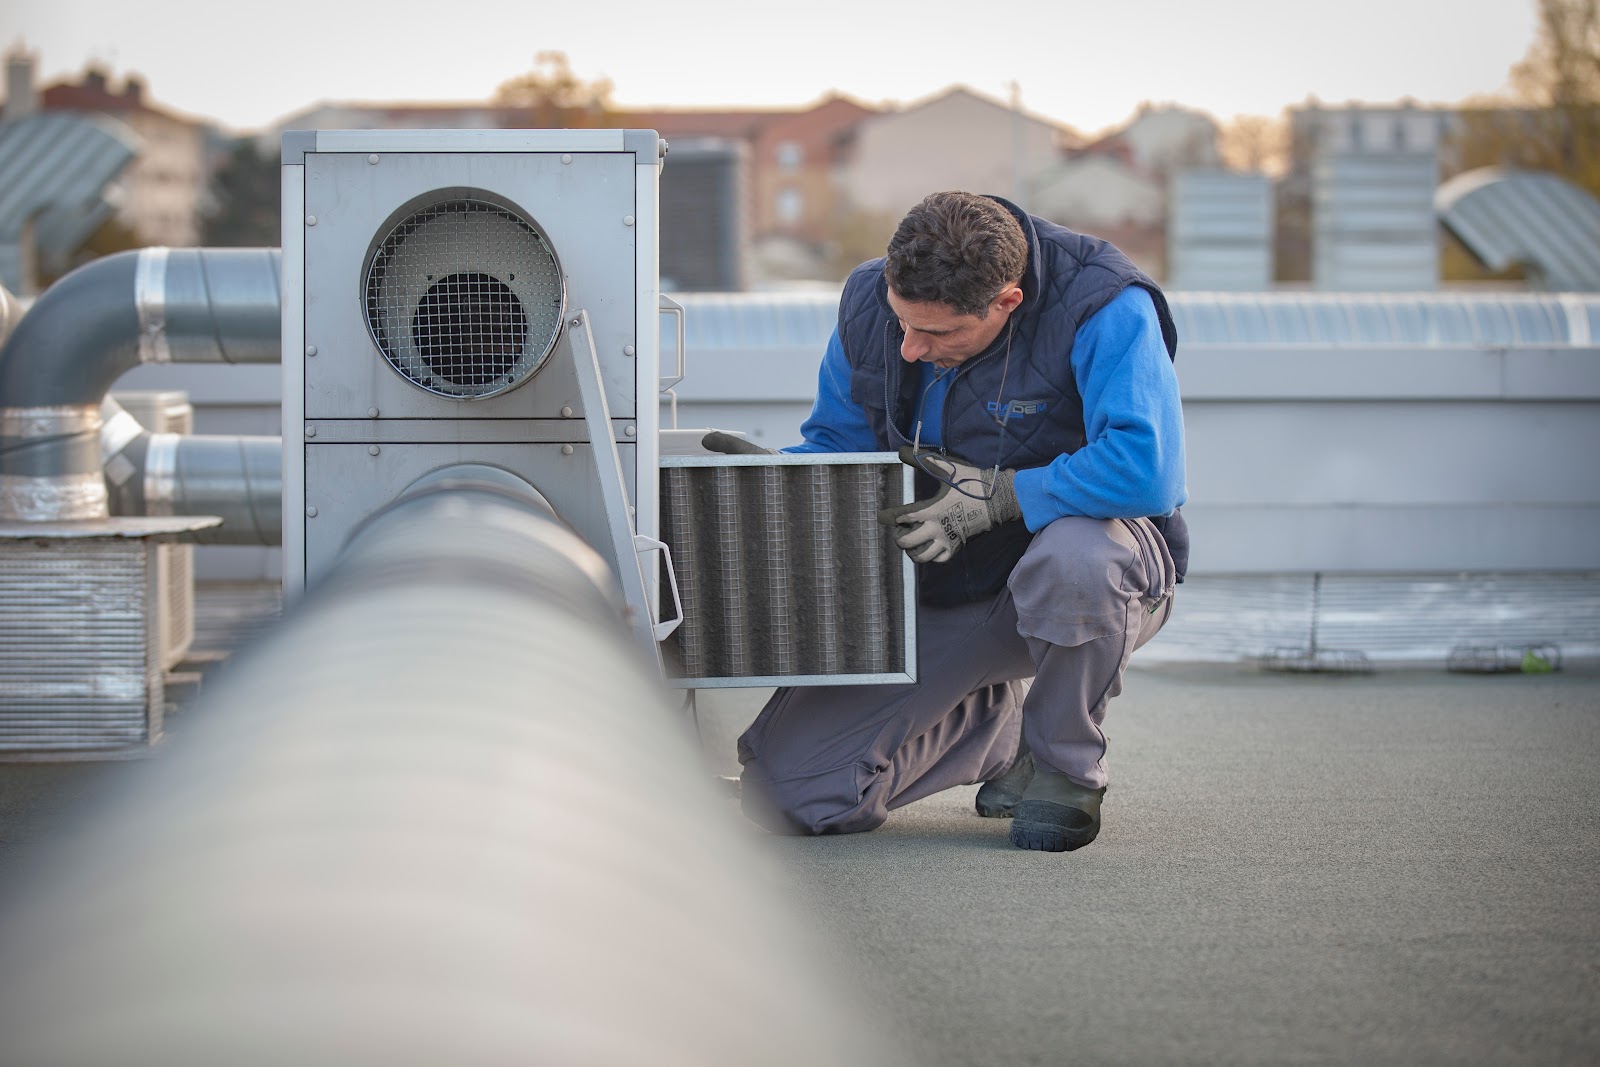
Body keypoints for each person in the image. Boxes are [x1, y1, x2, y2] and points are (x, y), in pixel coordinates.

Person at [703, 191, 1187, 853]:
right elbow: (840, 443)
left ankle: (1064, 767)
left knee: (1076, 559)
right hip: (947, 575)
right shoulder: (870, 298)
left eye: (937, 334)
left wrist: (1001, 498)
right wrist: (778, 481)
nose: (909, 348)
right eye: (904, 323)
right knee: (790, 795)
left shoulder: (1104, 303)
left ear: (1007, 302)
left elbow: (1144, 468)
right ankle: (996, 730)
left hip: (1096, 571)